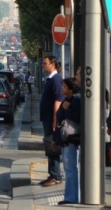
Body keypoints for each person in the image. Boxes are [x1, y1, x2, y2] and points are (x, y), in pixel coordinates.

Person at [52, 77, 81, 205]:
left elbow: (78, 117)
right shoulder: (67, 99)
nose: (62, 88)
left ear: (71, 89)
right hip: (64, 138)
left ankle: (73, 197)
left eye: (64, 86)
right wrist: (55, 139)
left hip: (71, 139)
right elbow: (59, 118)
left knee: (71, 169)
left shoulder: (76, 100)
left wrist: (67, 108)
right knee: (68, 169)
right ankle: (70, 196)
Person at [39, 55, 64, 187]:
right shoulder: (51, 79)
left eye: (45, 63)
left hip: (51, 120)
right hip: (47, 119)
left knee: (52, 146)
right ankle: (52, 174)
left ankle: (56, 176)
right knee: (50, 146)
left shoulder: (56, 80)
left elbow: (58, 100)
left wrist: (55, 119)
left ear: (52, 65)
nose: (43, 65)